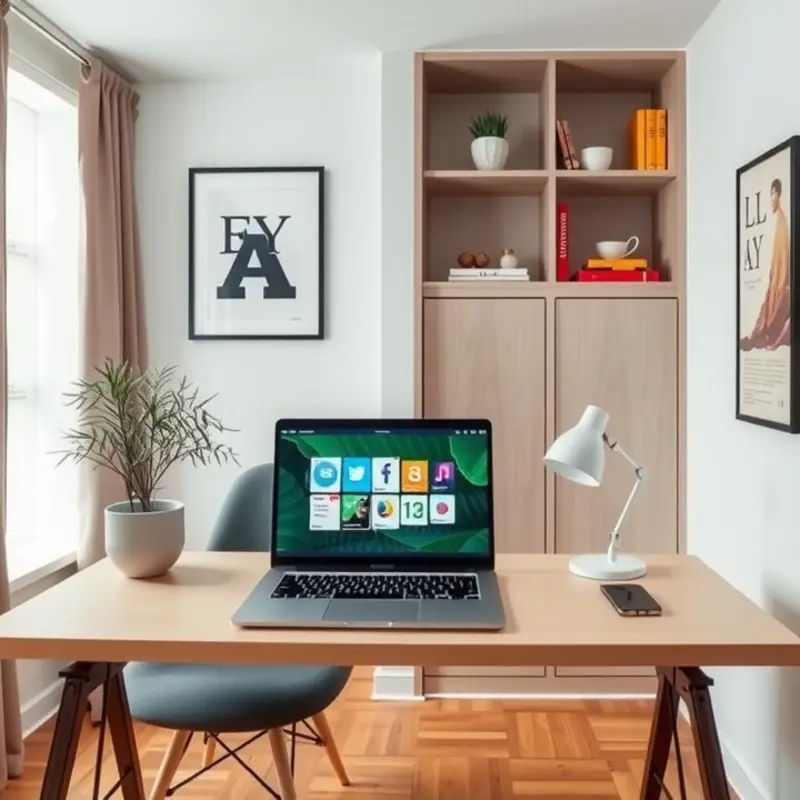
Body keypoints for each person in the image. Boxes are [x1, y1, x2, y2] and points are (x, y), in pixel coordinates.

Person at [740, 178, 792, 351]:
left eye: (774, 194)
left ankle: (763, 334)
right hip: (775, 275)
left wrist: (779, 277)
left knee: (774, 305)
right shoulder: (776, 219)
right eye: (770, 194)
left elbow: (783, 253)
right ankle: (756, 334)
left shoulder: (781, 221)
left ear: (778, 195)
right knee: (767, 304)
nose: (772, 198)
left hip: (781, 275)